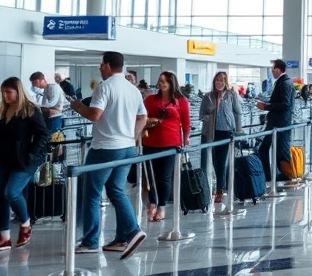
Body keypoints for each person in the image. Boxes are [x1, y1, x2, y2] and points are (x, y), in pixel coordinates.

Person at [68, 51, 148, 259]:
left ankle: (93, 240)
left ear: (109, 65)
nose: (99, 68)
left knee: (92, 194)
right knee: (115, 190)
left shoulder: (104, 87)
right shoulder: (133, 90)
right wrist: (132, 136)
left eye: (101, 64)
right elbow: (143, 117)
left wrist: (78, 106)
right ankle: (122, 237)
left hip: (105, 148)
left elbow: (95, 115)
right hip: (127, 147)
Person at [0, 77, 50, 251]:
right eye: (3, 92)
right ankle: (4, 237)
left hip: (25, 160)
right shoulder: (3, 110)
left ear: (18, 92)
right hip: (5, 158)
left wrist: (31, 153)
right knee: (1, 196)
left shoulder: (30, 110)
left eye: (9, 92)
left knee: (11, 192)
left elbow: (44, 134)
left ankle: (26, 224)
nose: (5, 95)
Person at [141, 71, 190, 222]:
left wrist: (185, 140)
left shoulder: (180, 101)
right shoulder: (150, 100)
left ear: (171, 83)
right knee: (150, 177)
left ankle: (161, 205)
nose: (162, 84)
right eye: (160, 81)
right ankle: (152, 203)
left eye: (165, 81)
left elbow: (186, 123)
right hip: (150, 143)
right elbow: (141, 117)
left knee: (164, 177)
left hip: (170, 144)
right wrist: (149, 121)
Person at [200, 71, 243, 204]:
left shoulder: (231, 95)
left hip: (226, 132)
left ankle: (220, 189)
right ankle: (216, 186)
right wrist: (210, 116)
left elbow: (238, 112)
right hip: (212, 133)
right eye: (217, 80)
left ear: (226, 82)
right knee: (213, 161)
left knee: (221, 162)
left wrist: (238, 130)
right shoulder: (208, 97)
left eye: (222, 80)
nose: (219, 82)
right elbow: (202, 114)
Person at [257, 60, 294, 184]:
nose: (272, 71)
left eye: (273, 69)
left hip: (279, 124)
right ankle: (270, 176)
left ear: (279, 69)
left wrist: (266, 106)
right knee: (268, 149)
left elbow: (285, 104)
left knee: (280, 151)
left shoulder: (285, 83)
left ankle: (284, 174)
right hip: (276, 122)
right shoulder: (282, 82)